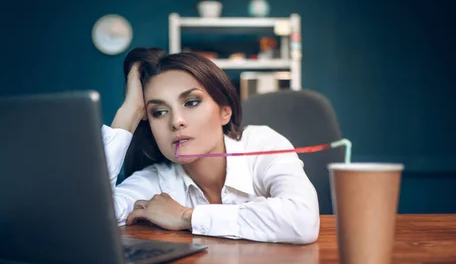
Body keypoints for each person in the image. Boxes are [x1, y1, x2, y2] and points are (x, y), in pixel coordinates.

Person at [101, 47, 320, 244]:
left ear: (225, 111)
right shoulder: (155, 181)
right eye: (159, 112)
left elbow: (302, 220)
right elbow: (90, 218)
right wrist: (129, 112)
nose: (176, 121)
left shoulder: (263, 144)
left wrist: (187, 216)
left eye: (191, 102)